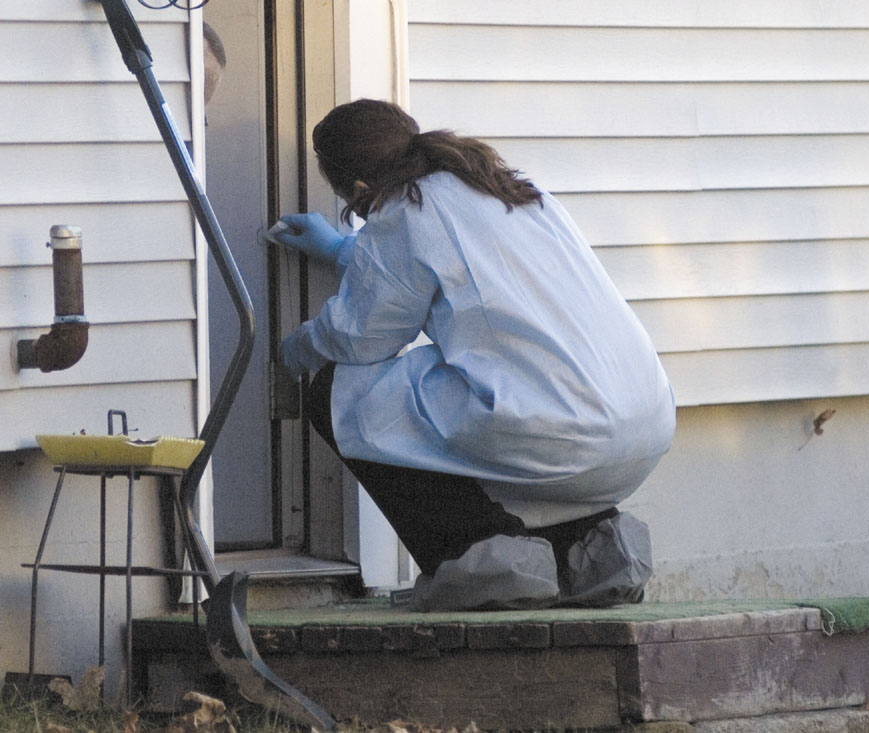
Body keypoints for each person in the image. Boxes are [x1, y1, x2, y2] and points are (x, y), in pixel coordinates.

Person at [268, 99, 676, 610]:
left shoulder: (405, 209)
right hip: (646, 422)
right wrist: (341, 250)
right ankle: (594, 549)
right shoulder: (514, 189)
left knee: (342, 394)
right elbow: (444, 261)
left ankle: (475, 555)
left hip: (559, 429)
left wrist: (299, 347)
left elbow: (362, 337)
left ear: (357, 190)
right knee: (492, 397)